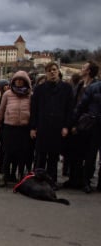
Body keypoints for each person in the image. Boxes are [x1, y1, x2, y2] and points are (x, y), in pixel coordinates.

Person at [29, 62, 74, 189]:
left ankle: (51, 181)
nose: (52, 72)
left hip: (57, 127)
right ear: (46, 73)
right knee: (40, 156)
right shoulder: (39, 89)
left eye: (54, 70)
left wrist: (66, 126)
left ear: (58, 71)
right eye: (49, 70)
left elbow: (69, 109)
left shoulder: (66, 88)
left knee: (54, 156)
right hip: (43, 126)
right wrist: (33, 127)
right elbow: (34, 110)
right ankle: (38, 180)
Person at [65, 61, 98, 192]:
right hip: (78, 124)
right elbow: (75, 106)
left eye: (84, 67)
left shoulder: (96, 86)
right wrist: (72, 123)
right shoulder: (79, 85)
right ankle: (74, 179)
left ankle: (86, 181)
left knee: (90, 155)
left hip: (91, 124)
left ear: (89, 71)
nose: (81, 69)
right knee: (75, 152)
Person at [0, 71, 32, 187]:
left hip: (24, 128)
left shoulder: (30, 95)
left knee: (22, 153)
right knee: (7, 153)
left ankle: (20, 175)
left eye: (22, 80)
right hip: (9, 127)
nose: (19, 81)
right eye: (17, 79)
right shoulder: (7, 94)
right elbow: (1, 111)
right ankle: (5, 175)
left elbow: (34, 112)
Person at [73, 65, 101, 193]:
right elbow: (81, 106)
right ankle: (86, 181)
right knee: (90, 155)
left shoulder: (93, 87)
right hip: (93, 125)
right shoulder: (94, 88)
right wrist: (73, 123)